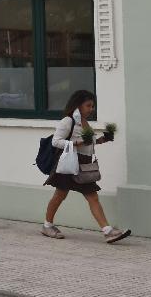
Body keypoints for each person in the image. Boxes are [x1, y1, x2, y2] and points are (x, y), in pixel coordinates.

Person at [42, 89, 129, 243]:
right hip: (69, 165)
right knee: (60, 196)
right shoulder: (68, 121)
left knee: (92, 197)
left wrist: (103, 139)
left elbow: (89, 143)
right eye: (88, 105)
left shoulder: (84, 122)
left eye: (92, 106)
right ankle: (47, 225)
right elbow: (56, 141)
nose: (91, 109)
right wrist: (78, 143)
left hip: (84, 166)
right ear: (78, 105)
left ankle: (108, 231)